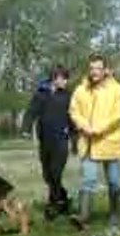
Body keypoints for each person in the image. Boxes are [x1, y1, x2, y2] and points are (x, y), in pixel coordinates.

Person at [68, 53, 120, 231]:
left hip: (110, 142)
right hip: (88, 143)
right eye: (91, 68)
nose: (94, 72)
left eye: (98, 68)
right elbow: (74, 111)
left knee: (114, 182)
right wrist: (83, 125)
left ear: (106, 70)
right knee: (88, 180)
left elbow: (119, 115)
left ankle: (115, 214)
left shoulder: (117, 90)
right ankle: (83, 217)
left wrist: (98, 128)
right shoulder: (81, 90)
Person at [21, 65, 78, 220]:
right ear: (55, 78)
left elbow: (72, 119)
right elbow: (31, 111)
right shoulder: (41, 94)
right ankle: (63, 199)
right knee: (48, 176)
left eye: (67, 78)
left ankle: (53, 205)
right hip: (45, 142)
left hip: (61, 141)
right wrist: (26, 128)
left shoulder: (67, 96)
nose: (66, 81)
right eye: (63, 78)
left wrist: (74, 141)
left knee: (55, 172)